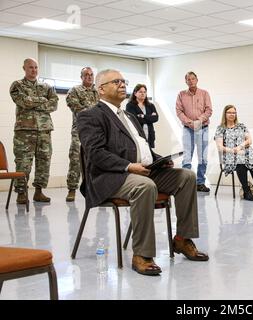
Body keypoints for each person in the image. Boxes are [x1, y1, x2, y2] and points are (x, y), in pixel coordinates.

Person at [77, 69, 208, 276]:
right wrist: (129, 167)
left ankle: (182, 239)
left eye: (123, 81)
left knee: (187, 176)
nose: (122, 84)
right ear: (101, 89)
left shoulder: (129, 115)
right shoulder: (89, 116)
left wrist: (159, 160)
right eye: (116, 81)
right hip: (112, 176)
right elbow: (96, 154)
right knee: (145, 186)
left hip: (143, 170)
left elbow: (141, 147)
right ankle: (142, 254)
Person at [10, 58, 58, 203]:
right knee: (23, 162)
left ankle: (39, 191)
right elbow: (24, 102)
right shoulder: (17, 85)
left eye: (36, 67)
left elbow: (54, 104)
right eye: (31, 67)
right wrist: (43, 100)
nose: (34, 70)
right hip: (24, 131)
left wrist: (33, 102)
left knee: (44, 161)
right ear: (24, 68)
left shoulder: (46, 87)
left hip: (44, 130)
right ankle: (21, 193)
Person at [214, 105, 253, 201]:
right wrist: (234, 151)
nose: (232, 114)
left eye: (234, 112)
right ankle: (246, 191)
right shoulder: (220, 128)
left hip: (244, 150)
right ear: (225, 114)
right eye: (229, 112)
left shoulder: (241, 126)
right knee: (240, 161)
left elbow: (249, 140)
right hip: (229, 154)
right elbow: (220, 147)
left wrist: (240, 147)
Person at [65, 67, 99, 202]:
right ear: (81, 77)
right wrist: (94, 113)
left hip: (97, 131)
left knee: (98, 159)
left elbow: (105, 109)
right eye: (86, 75)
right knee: (75, 159)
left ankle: (99, 188)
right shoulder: (74, 91)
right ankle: (71, 189)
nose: (89, 77)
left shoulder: (99, 92)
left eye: (91, 75)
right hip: (80, 130)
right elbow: (78, 110)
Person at [176, 71, 212, 193]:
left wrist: (199, 121)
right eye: (188, 79)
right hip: (188, 130)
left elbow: (209, 110)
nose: (191, 81)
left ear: (197, 80)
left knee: (203, 158)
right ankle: (186, 184)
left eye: (193, 79)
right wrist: (190, 122)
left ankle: (200, 182)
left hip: (203, 128)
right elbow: (179, 111)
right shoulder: (181, 95)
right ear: (185, 81)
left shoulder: (204, 93)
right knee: (187, 157)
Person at [126, 84, 159, 148]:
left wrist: (143, 116)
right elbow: (134, 120)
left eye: (144, 92)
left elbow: (156, 118)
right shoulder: (130, 106)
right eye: (140, 92)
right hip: (137, 135)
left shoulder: (150, 105)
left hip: (150, 135)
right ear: (135, 93)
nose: (143, 94)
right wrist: (150, 117)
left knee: (150, 155)